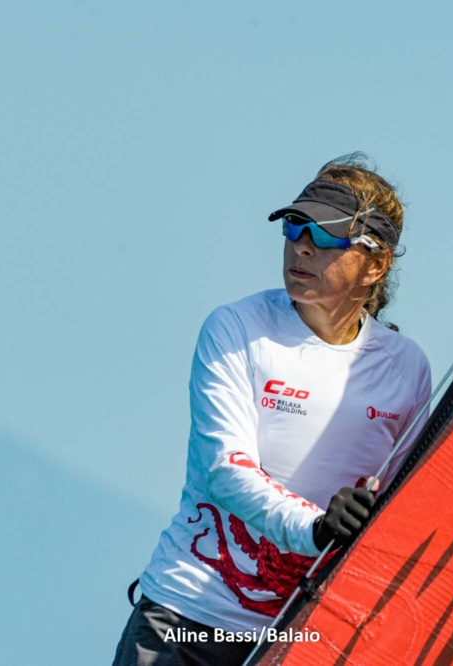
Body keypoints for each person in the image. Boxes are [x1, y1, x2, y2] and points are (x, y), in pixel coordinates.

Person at [113, 154, 432, 665]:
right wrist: (318, 528)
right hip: (187, 619)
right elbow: (226, 471)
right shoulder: (237, 328)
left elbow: (402, 511)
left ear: (375, 265)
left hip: (304, 638)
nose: (302, 246)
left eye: (326, 236)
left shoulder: (407, 368)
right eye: (294, 227)